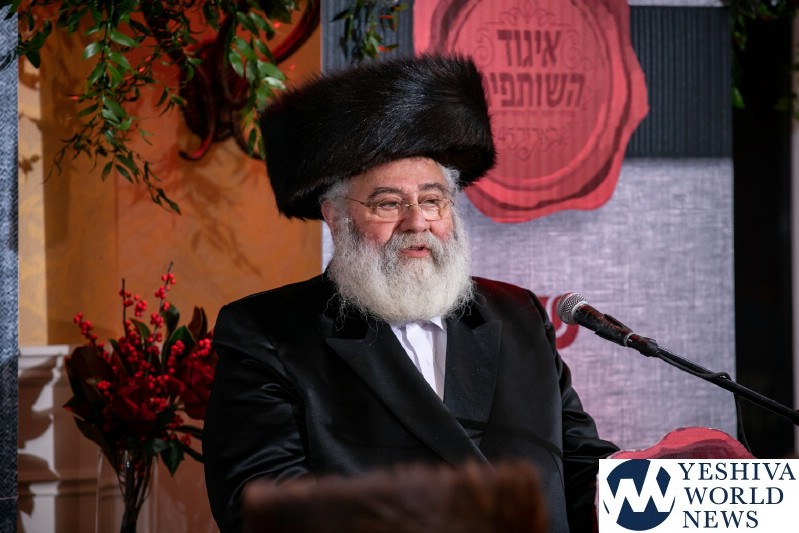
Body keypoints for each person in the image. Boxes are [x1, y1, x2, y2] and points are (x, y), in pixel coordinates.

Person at [203, 54, 618, 533]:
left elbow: (583, 470)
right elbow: (260, 507)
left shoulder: (518, 314)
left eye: (433, 200)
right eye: (388, 203)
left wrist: (674, 491)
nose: (417, 221)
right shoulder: (269, 332)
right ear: (335, 217)